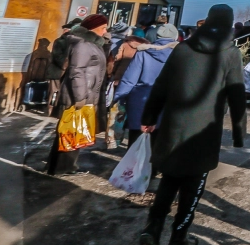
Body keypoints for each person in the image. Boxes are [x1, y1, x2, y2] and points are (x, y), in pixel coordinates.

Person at [138, 4, 246, 245]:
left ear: (207, 21)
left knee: (169, 179)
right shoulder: (231, 54)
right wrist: (240, 133)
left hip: (175, 126)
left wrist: (149, 117)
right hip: (203, 133)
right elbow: (237, 95)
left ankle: (151, 232)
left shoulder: (183, 49)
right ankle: (178, 239)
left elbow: (161, 87)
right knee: (194, 184)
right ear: (230, 25)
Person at [46, 14, 110, 175]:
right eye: (103, 28)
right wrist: (80, 97)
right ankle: (62, 167)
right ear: (94, 28)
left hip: (86, 94)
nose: (105, 31)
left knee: (72, 131)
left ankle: (60, 166)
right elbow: (77, 71)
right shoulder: (83, 44)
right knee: (71, 131)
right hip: (79, 95)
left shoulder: (92, 44)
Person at [115, 24, 178, 147]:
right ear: (175, 37)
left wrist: (119, 97)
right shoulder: (180, 54)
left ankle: (133, 166)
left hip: (140, 101)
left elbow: (129, 80)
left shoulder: (143, 53)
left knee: (136, 143)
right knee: (159, 144)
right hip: (167, 102)